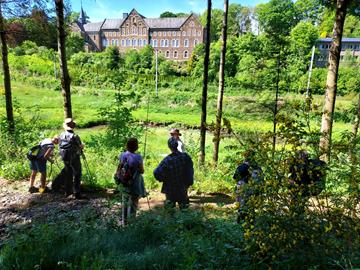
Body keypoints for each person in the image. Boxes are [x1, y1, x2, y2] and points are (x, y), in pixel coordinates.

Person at [153, 137, 194, 209]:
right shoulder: (186, 157)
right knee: (185, 211)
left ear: (169, 147)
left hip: (170, 189)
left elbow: (156, 173)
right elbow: (190, 171)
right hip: (183, 188)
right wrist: (189, 182)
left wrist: (163, 178)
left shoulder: (167, 160)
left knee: (170, 211)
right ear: (177, 145)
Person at [116, 138, 147, 225]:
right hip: (135, 182)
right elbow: (141, 171)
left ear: (127, 146)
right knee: (133, 203)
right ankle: (132, 223)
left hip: (124, 182)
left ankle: (124, 222)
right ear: (136, 147)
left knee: (125, 202)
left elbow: (119, 166)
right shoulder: (138, 157)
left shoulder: (122, 155)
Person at [233, 150, 263, 223]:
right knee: (251, 207)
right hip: (254, 189)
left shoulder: (242, 167)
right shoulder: (258, 167)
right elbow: (261, 179)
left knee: (241, 206)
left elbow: (235, 177)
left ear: (245, 156)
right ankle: (250, 222)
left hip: (242, 188)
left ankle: (240, 221)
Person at [59, 118, 85, 199]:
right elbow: (80, 146)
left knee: (68, 173)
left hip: (65, 157)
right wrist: (82, 146)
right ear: (73, 127)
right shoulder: (75, 136)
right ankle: (77, 193)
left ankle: (67, 192)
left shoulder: (61, 135)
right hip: (74, 157)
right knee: (77, 174)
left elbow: (60, 145)